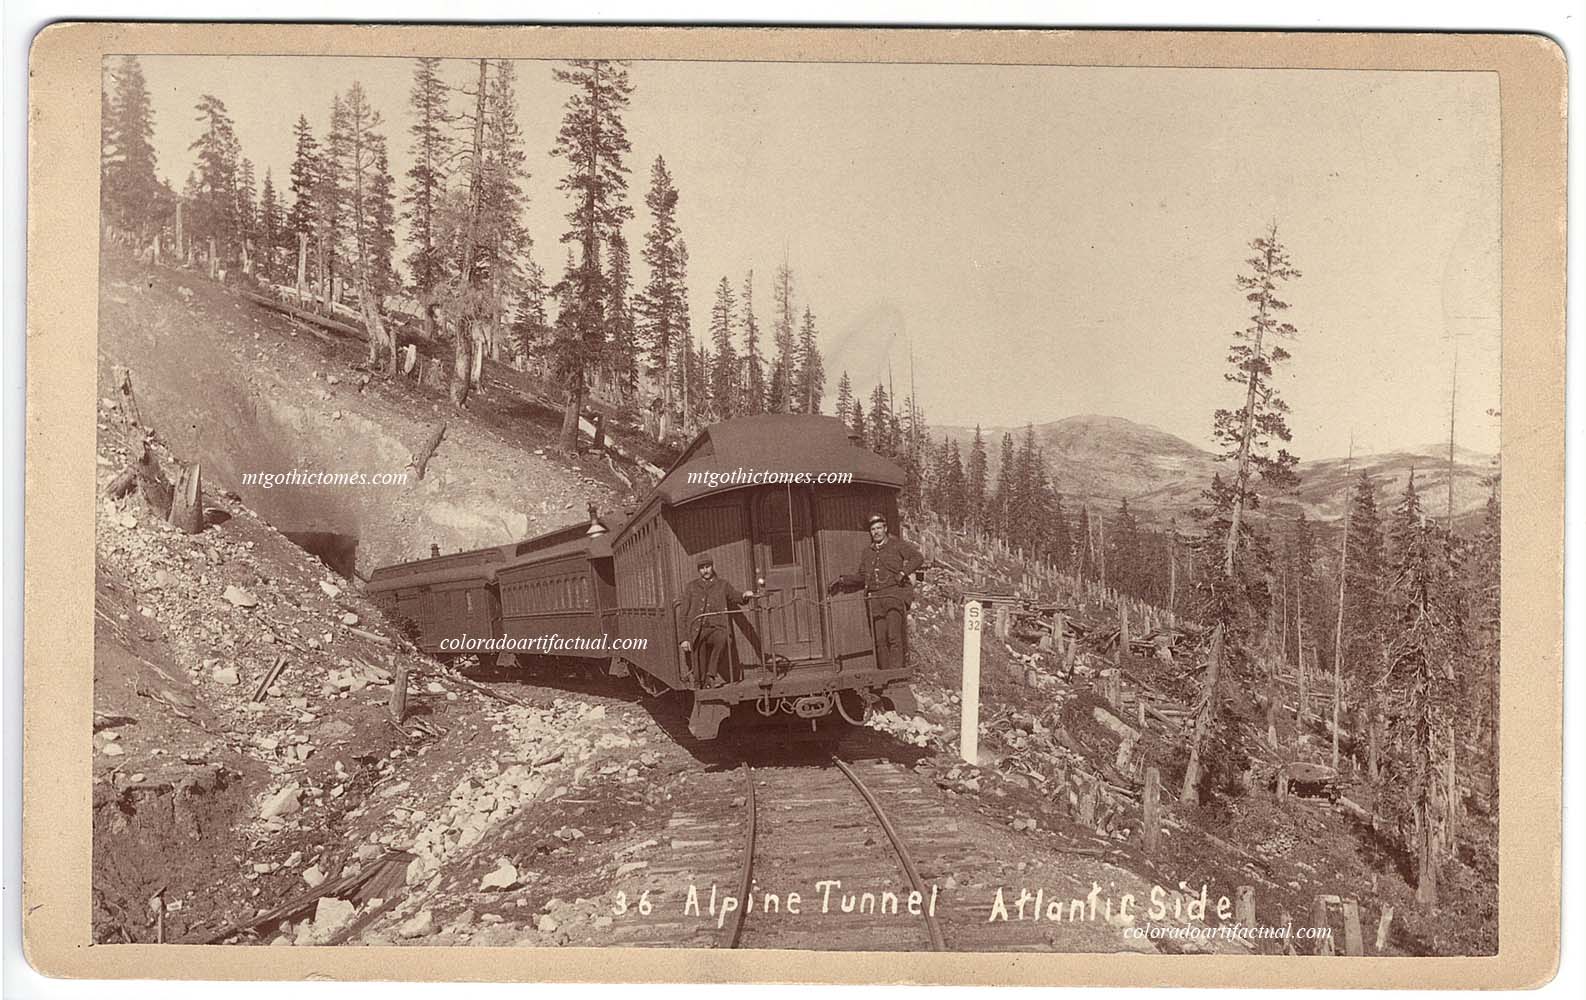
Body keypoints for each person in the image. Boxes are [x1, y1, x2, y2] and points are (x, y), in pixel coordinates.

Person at [829, 512, 924, 671]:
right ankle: (885, 673)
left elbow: (918, 558)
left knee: (894, 637)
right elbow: (862, 577)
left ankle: (896, 672)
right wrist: (842, 580)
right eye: (873, 529)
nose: (876, 532)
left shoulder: (897, 545)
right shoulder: (867, 552)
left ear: (885, 529)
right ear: (870, 532)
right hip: (876, 601)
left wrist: (903, 572)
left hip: (894, 596)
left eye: (879, 528)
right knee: (880, 640)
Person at [679, 556, 756, 687]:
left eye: (707, 567)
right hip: (698, 630)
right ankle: (701, 682)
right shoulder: (691, 587)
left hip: (717, 629)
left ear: (712, 567)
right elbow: (683, 614)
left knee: (724, 638)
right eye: (702, 568)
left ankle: (711, 674)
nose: (705, 570)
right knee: (699, 655)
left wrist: (744, 596)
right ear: (699, 571)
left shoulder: (723, 585)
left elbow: (735, 596)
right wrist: (684, 639)